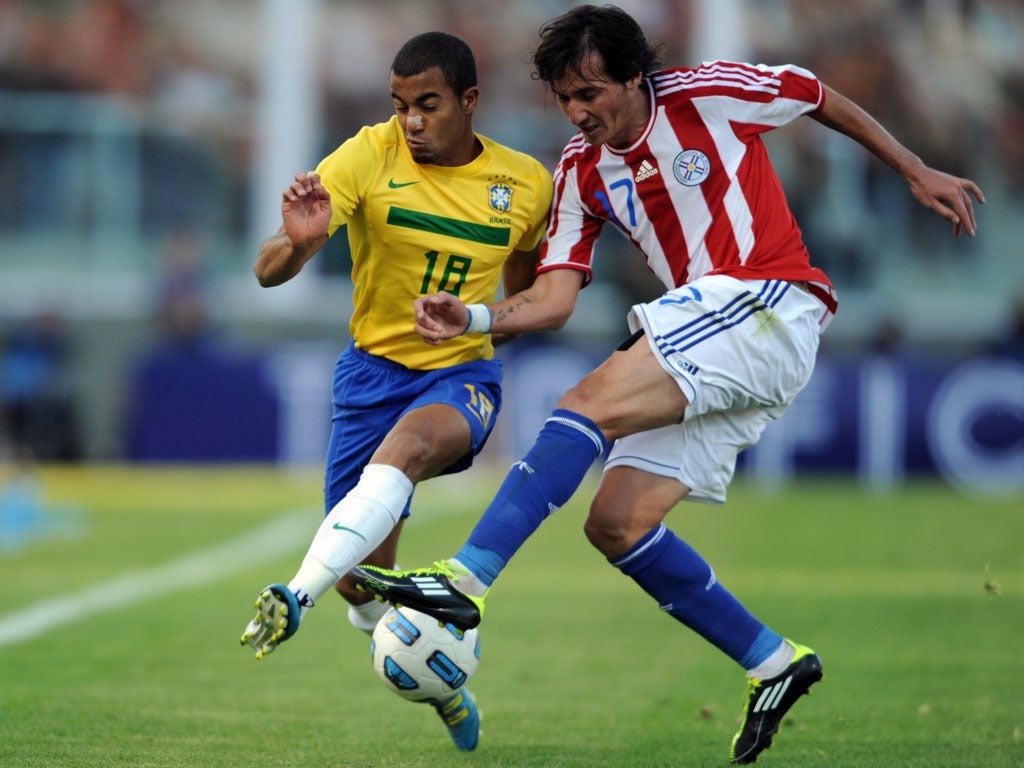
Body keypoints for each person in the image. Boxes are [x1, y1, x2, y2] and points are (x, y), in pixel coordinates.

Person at [349, 5, 984, 764]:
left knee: (583, 405)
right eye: (565, 98)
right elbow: (554, 298)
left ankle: (464, 579)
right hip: (719, 340)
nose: (578, 112)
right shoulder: (580, 171)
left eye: (590, 93)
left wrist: (913, 168)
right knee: (617, 522)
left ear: (633, 78)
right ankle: (773, 662)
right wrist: (478, 316)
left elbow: (815, 93)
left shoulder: (705, 94)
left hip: (766, 299)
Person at [239, 31, 552, 752]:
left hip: (461, 375)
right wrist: (299, 242)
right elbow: (265, 271)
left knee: (409, 447)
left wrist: (481, 328)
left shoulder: (524, 184)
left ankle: (295, 593)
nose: (410, 121)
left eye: (427, 105)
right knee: (362, 585)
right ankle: (445, 683)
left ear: (469, 101)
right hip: (371, 376)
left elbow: (527, 287)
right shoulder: (367, 155)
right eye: (400, 104)